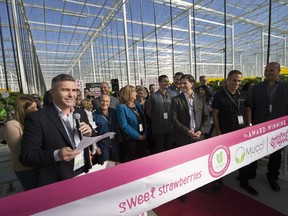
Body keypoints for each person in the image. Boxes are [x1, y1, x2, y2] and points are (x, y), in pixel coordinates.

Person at [19, 74, 95, 187]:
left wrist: (89, 133)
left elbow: (89, 136)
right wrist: (56, 155)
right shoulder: (37, 118)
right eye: (65, 90)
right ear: (52, 92)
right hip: (57, 179)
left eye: (74, 90)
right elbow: (26, 156)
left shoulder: (80, 113)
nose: (71, 94)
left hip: (83, 171)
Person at [212, 70, 257, 196]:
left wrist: (249, 124)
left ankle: (244, 181)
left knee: (243, 155)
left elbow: (248, 108)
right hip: (225, 129)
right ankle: (218, 181)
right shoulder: (219, 95)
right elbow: (215, 113)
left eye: (239, 81)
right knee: (221, 156)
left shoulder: (243, 94)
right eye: (234, 80)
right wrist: (218, 131)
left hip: (241, 130)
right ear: (228, 80)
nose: (237, 83)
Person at [250, 62, 288, 192]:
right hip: (259, 125)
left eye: (271, 70)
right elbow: (252, 106)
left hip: (279, 127)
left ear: (279, 71)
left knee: (276, 154)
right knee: (254, 151)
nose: (268, 73)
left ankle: (272, 177)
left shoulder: (285, 87)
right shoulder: (257, 88)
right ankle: (250, 173)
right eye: (266, 70)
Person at [5, 95, 38, 190]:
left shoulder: (31, 122)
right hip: (24, 168)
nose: (36, 110)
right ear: (23, 109)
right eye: (33, 108)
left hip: (37, 165)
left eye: (36, 107)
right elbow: (18, 150)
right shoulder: (13, 125)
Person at [170, 75, 209, 147]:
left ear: (192, 83)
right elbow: (173, 119)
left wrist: (200, 131)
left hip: (199, 137)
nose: (182, 85)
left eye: (185, 83)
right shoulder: (176, 100)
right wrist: (187, 131)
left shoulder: (200, 98)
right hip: (183, 138)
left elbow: (206, 117)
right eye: (181, 83)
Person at [117, 85, 147, 162]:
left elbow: (143, 119)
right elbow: (124, 125)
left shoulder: (137, 104)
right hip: (131, 139)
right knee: (133, 160)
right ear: (128, 93)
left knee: (143, 158)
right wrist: (138, 136)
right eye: (134, 91)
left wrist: (145, 133)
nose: (136, 93)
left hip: (143, 136)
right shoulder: (121, 107)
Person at [146, 75, 177, 153]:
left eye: (167, 81)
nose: (166, 83)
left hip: (170, 128)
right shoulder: (153, 96)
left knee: (169, 150)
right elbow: (148, 111)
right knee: (159, 150)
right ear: (159, 82)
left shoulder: (172, 96)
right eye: (164, 81)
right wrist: (157, 119)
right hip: (158, 129)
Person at [93, 94, 120, 164]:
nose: (105, 103)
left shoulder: (114, 112)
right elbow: (93, 133)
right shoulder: (94, 115)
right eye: (103, 101)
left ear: (109, 102)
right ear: (99, 102)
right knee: (104, 165)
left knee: (116, 163)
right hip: (102, 144)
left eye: (107, 101)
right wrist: (96, 147)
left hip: (115, 142)